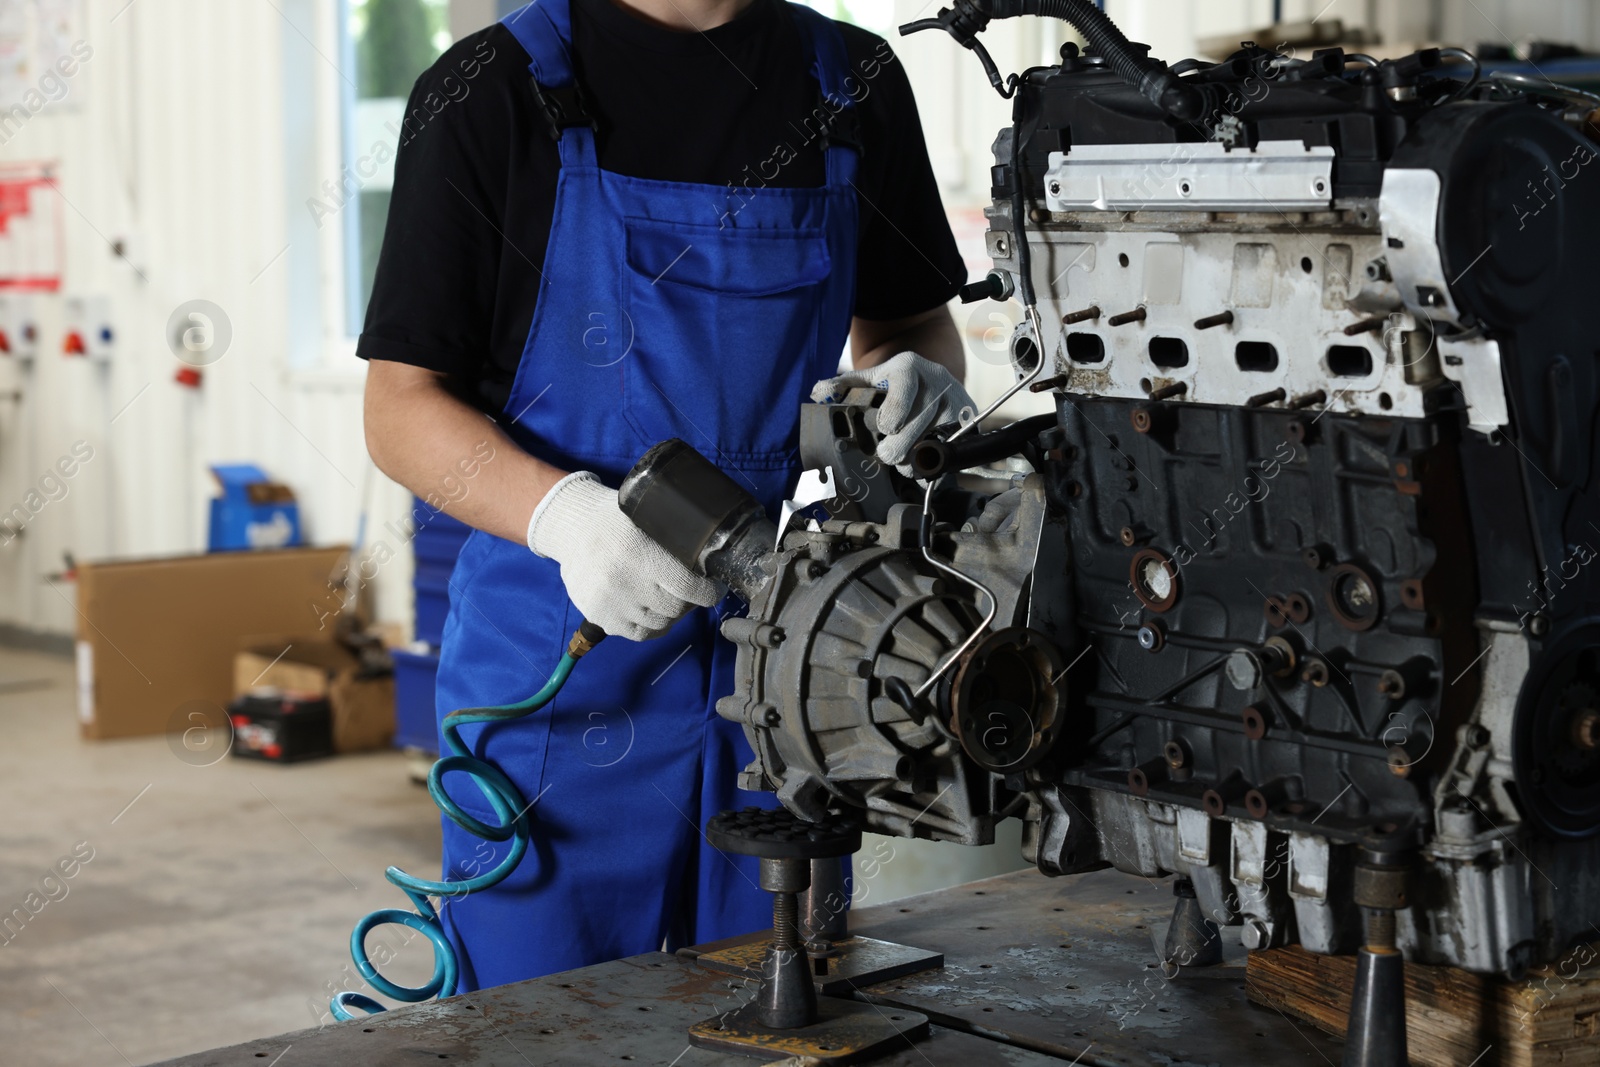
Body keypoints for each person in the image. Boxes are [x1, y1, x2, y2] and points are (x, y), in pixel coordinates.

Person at [359, 0, 972, 992]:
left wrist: (919, 383)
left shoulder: (851, 79)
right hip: (560, 659)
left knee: (782, 1010)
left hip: (791, 662)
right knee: (542, 1025)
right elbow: (398, 407)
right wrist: (564, 518)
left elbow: (909, 324)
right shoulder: (486, 91)